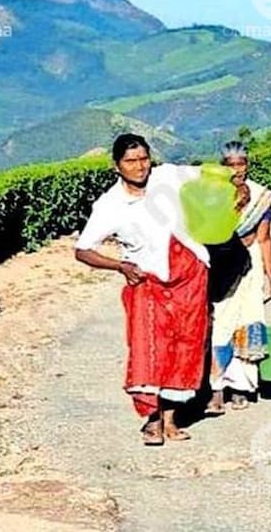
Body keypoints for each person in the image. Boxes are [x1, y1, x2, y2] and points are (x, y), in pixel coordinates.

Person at [74, 133, 210, 446]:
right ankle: (152, 419)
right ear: (117, 166)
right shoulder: (110, 205)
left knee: (186, 343)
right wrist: (119, 265)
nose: (140, 167)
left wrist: (236, 184)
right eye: (131, 161)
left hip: (189, 276)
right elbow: (83, 249)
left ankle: (171, 419)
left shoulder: (167, 178)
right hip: (147, 282)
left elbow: (209, 176)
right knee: (150, 347)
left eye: (144, 159)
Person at [204, 141, 271, 415]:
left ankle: (241, 386)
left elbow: (264, 239)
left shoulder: (261, 197)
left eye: (242, 164)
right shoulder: (212, 195)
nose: (237, 170)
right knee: (221, 322)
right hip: (221, 264)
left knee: (247, 319)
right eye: (231, 165)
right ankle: (216, 387)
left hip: (250, 265)